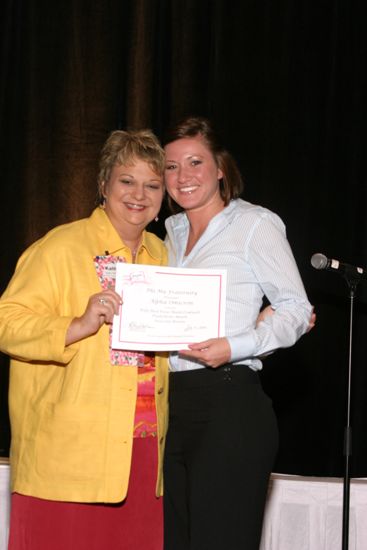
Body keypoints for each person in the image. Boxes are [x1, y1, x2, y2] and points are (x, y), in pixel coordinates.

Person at [0, 129, 169, 550]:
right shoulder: (60, 246)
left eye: (152, 185)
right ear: (103, 184)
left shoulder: (161, 254)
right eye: (126, 181)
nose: (139, 194)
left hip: (143, 449)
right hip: (68, 454)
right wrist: (75, 324)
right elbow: (7, 321)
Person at [162, 116, 314, 550]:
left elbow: (297, 309)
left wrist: (234, 346)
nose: (183, 176)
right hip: (168, 405)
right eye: (171, 166)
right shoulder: (167, 233)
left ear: (220, 168)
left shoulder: (254, 224)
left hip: (229, 403)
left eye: (195, 162)